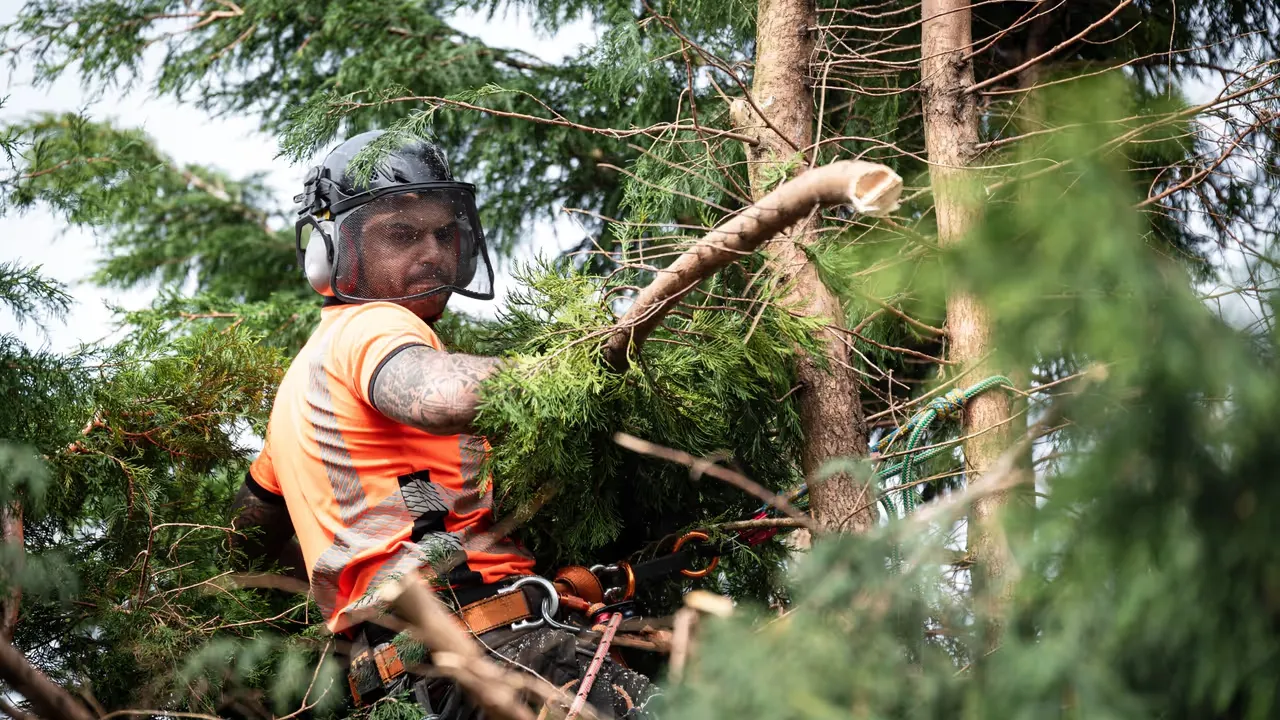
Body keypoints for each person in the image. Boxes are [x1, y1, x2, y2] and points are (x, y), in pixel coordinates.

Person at [229, 130, 654, 718]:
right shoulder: (371, 327)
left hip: (404, 686)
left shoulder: (300, 386)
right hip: (497, 651)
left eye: (443, 233)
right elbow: (441, 395)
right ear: (333, 250)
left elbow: (248, 530)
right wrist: (577, 361)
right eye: (400, 234)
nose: (431, 251)